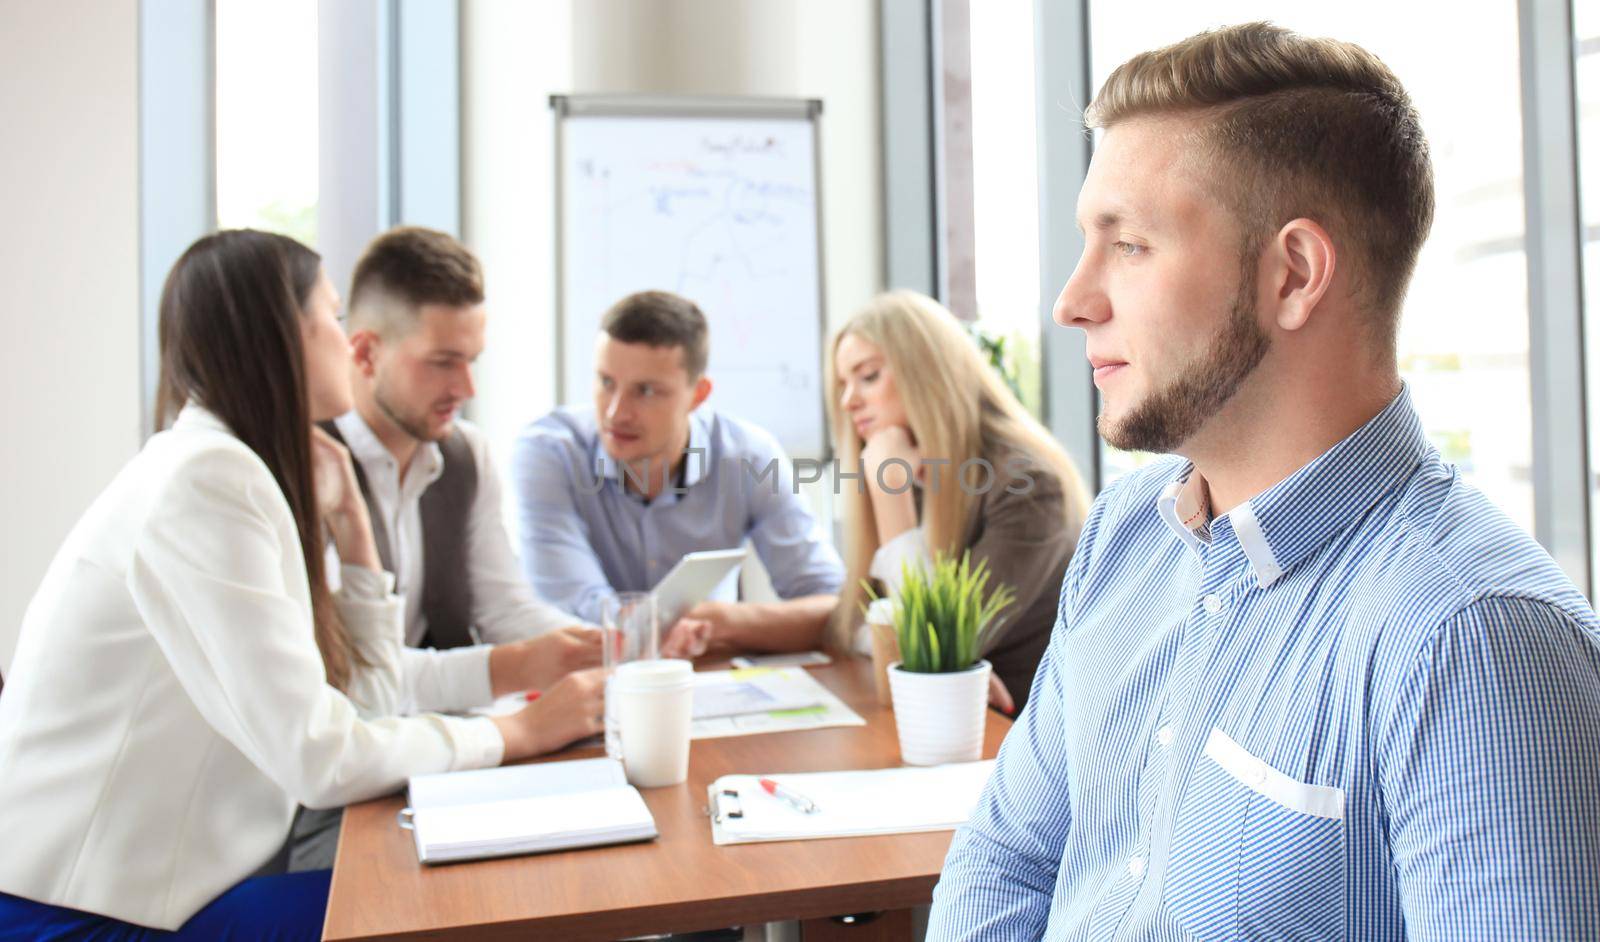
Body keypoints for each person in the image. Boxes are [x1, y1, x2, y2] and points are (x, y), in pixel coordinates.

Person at [929, 22, 1600, 939]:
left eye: (1128, 245)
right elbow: (1008, 855)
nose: (1072, 299)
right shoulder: (1126, 537)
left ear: (1293, 274)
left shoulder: (1470, 640)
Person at [0, 230, 599, 938]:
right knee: (475, 905)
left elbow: (359, 705)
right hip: (86, 914)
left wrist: (356, 534)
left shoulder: (231, 467)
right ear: (285, 334)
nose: (348, 343)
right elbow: (321, 758)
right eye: (335, 317)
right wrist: (517, 730)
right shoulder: (207, 482)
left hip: (163, 889)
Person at [290, 226, 602, 871]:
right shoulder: (307, 466)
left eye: (472, 361)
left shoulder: (465, 454)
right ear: (366, 352)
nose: (467, 387)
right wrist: (519, 670)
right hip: (341, 791)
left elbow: (506, 607)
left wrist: (599, 648)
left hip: (433, 754)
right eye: (442, 362)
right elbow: (345, 681)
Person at [512, 290, 845, 656]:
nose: (616, 414)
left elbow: (831, 605)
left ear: (698, 394)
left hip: (707, 676)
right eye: (606, 382)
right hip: (589, 681)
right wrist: (666, 626)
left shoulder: (749, 456)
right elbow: (569, 613)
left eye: (646, 391)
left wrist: (720, 622)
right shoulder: (548, 453)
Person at [828, 291, 1090, 714]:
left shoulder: (1028, 485)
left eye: (869, 376)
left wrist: (890, 495)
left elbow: (921, 651)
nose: (849, 401)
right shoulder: (917, 462)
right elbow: (856, 627)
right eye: (844, 383)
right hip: (954, 724)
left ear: (927, 373)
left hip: (1015, 739)